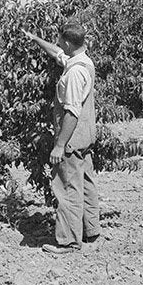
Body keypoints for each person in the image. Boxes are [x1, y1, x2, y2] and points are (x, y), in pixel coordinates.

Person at [23, 21, 101, 254]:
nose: (57, 44)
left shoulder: (75, 72)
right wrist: (35, 39)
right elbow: (57, 53)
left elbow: (72, 112)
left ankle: (68, 242)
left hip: (71, 139)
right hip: (85, 137)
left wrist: (59, 145)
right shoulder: (83, 61)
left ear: (68, 42)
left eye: (59, 40)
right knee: (86, 183)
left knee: (67, 187)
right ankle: (90, 231)